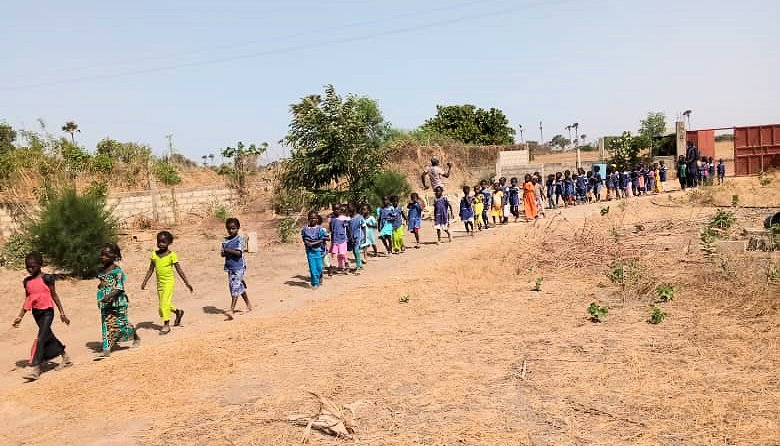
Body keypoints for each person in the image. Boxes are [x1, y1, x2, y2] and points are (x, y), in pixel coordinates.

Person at [12, 252, 71, 380]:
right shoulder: (26, 281)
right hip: (36, 314)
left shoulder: (47, 278)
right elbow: (28, 299)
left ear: (40, 265)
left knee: (41, 338)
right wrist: (20, 316)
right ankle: (65, 358)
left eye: (32, 266)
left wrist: (62, 313)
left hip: (48, 312)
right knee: (48, 335)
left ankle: (36, 369)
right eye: (27, 267)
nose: (29, 269)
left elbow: (54, 295)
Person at [140, 231, 192, 334]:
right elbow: (151, 269)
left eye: (164, 242)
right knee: (162, 305)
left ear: (169, 243)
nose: (161, 244)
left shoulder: (172, 255)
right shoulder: (154, 255)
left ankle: (166, 325)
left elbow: (179, 270)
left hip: (169, 282)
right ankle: (178, 312)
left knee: (164, 304)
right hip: (160, 283)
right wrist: (145, 281)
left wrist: (186, 282)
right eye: (159, 241)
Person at [96, 243, 140, 359]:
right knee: (106, 324)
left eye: (106, 255)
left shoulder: (117, 270)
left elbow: (120, 288)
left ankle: (135, 336)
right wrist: (101, 287)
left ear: (114, 256)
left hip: (118, 301)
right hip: (105, 302)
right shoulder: (101, 270)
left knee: (121, 323)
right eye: (102, 255)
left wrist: (109, 295)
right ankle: (106, 349)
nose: (103, 257)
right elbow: (103, 282)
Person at [221, 218, 253, 313]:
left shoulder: (239, 239)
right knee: (236, 287)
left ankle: (232, 309)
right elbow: (222, 254)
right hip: (230, 267)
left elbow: (239, 253)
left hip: (239, 267)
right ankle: (249, 305)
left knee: (235, 287)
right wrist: (224, 252)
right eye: (229, 229)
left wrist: (227, 250)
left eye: (233, 228)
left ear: (238, 228)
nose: (231, 230)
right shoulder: (225, 240)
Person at [302, 211, 328, 288]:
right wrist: (307, 243)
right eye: (311, 218)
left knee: (319, 267)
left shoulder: (320, 229)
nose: (313, 220)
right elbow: (304, 238)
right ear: (308, 219)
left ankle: (320, 277)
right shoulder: (305, 229)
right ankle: (315, 283)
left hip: (318, 251)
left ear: (317, 219)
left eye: (315, 218)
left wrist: (312, 244)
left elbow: (322, 239)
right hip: (310, 251)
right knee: (312, 268)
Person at [329, 204, 350, 269]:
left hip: (342, 239)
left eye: (337, 209)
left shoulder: (343, 219)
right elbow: (331, 228)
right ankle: (340, 266)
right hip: (335, 239)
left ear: (340, 209)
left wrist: (349, 236)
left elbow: (347, 227)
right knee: (338, 253)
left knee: (342, 252)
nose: (336, 211)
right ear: (333, 210)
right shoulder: (332, 219)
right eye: (335, 209)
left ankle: (346, 261)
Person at [347, 204, 365, 273]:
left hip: (358, 236)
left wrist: (364, 237)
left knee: (356, 250)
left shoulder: (360, 217)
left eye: (350, 207)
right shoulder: (349, 218)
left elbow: (364, 227)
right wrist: (349, 236)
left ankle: (358, 266)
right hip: (352, 237)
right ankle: (360, 265)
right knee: (354, 251)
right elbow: (348, 228)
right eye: (348, 208)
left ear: (354, 208)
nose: (349, 209)